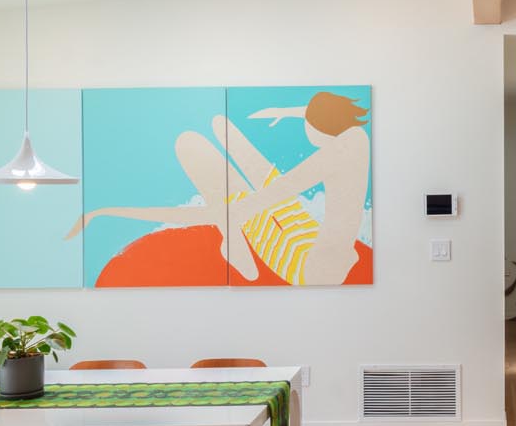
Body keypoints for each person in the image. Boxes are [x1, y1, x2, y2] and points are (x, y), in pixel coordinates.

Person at [65, 91, 371, 285]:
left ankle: (233, 237)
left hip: (307, 267)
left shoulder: (334, 153)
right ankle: (233, 230)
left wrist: (232, 213)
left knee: (228, 169)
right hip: (319, 244)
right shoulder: (356, 138)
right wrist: (285, 110)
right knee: (226, 137)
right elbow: (318, 115)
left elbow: (285, 187)